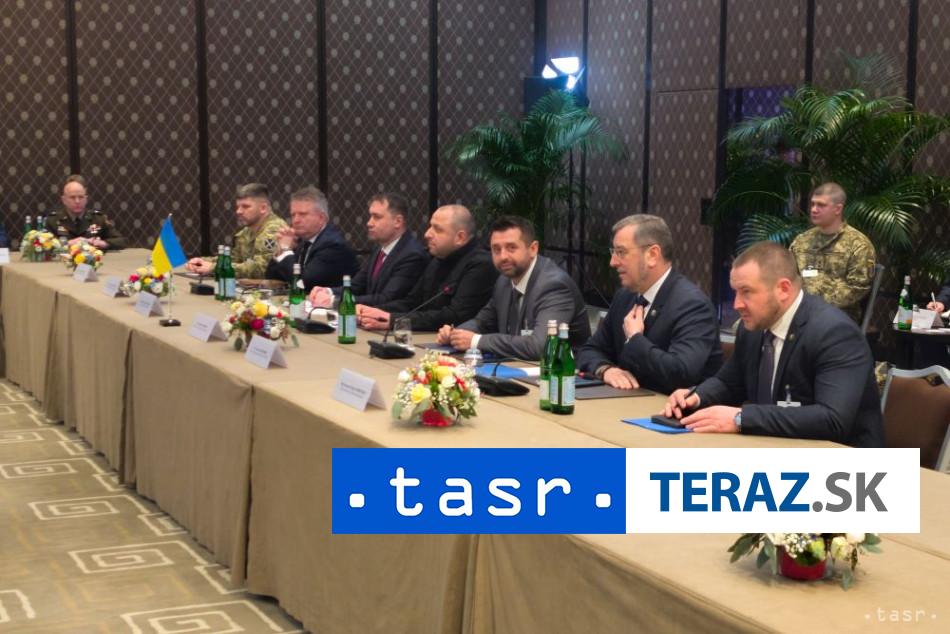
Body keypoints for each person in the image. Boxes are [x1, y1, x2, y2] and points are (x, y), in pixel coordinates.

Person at [663, 241, 884, 448]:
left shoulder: (834, 333)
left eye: (746, 292)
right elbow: (729, 383)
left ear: (783, 289)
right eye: (735, 292)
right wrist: (695, 397)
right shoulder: (753, 327)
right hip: (772, 447)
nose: (737, 304)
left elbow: (832, 419)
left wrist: (740, 418)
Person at [576, 214, 722, 394]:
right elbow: (589, 350)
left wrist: (635, 339)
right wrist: (605, 369)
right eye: (613, 252)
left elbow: (681, 373)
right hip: (625, 401)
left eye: (621, 252)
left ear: (652, 255)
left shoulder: (693, 305)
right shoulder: (625, 297)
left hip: (672, 407)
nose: (612, 262)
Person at [438, 215, 590, 359]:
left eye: (511, 248)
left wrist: (476, 341)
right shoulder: (504, 281)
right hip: (517, 366)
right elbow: (482, 322)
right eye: (496, 249)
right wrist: (455, 333)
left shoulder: (554, 285)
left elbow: (541, 346)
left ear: (533, 249)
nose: (503, 256)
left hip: (563, 373)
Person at [357, 205, 496, 332]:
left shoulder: (481, 264)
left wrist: (394, 320)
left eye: (437, 229)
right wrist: (372, 311)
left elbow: (455, 316)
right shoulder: (437, 258)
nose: (427, 234)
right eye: (430, 226)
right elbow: (412, 302)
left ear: (460, 237)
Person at [308, 192, 427, 308]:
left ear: (398, 221)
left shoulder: (412, 255)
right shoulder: (379, 248)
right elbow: (357, 285)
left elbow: (386, 298)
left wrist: (334, 301)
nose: (369, 223)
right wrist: (328, 291)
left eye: (377, 217)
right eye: (370, 216)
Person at [789, 182, 876, 323]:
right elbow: (789, 276)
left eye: (821, 205)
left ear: (838, 209)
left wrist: (814, 306)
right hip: (800, 313)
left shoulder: (858, 245)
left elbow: (857, 288)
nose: (814, 209)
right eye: (813, 204)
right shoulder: (802, 241)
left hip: (838, 318)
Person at [264, 186, 358, 291]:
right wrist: (280, 251)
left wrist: (286, 250)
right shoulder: (301, 241)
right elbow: (271, 278)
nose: (296, 220)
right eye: (293, 215)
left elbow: (303, 284)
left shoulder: (333, 245)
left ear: (321, 217)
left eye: (302, 214)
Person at [185, 183, 287, 278]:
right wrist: (202, 261)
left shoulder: (274, 230)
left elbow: (262, 269)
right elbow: (235, 259)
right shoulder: (247, 231)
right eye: (238, 207)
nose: (238, 211)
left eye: (245, 207)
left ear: (263, 208)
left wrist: (214, 267)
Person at [43, 174, 126, 250]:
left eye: (81, 197)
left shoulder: (98, 219)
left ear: (86, 199)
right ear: (64, 200)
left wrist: (102, 243)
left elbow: (121, 241)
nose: (77, 201)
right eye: (72, 197)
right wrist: (68, 244)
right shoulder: (53, 221)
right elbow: (41, 246)